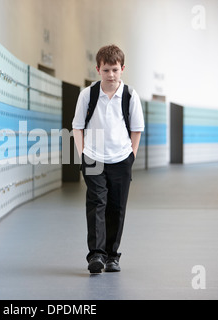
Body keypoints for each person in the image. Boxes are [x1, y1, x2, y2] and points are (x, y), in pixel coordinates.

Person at [72, 44, 145, 274]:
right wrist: (82, 155)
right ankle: (96, 255)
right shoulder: (88, 94)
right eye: (106, 70)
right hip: (93, 158)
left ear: (122, 68)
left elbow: (136, 129)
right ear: (98, 69)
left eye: (115, 69)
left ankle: (113, 256)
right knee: (96, 205)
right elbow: (77, 127)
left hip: (121, 159)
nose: (111, 75)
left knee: (116, 207)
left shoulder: (131, 96)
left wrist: (131, 157)